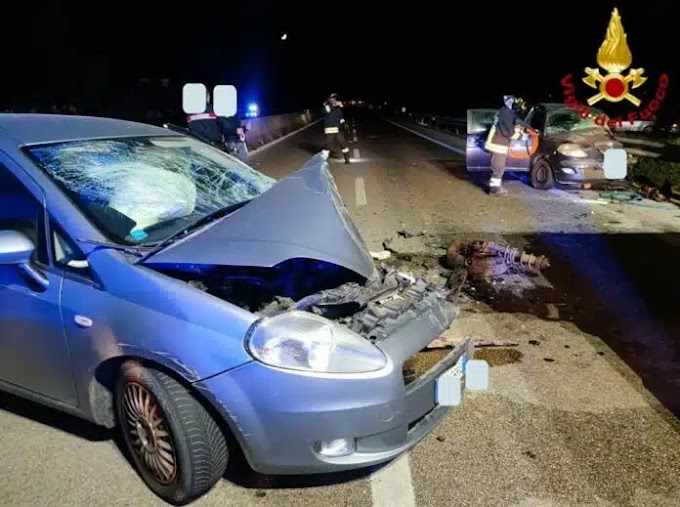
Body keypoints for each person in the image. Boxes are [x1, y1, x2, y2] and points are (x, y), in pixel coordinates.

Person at [483, 95, 527, 196]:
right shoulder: (506, 113)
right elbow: (508, 132)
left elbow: (507, 127)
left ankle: (495, 189)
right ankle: (494, 190)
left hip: (498, 144)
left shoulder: (505, 112)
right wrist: (521, 136)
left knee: (498, 168)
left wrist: (518, 130)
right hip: (497, 144)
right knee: (498, 168)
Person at [186, 91, 243, 156]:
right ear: (208, 97)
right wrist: (237, 129)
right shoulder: (214, 110)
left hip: (196, 148)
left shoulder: (190, 112)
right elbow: (226, 126)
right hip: (213, 148)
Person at [322, 93, 351, 164]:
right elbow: (327, 110)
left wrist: (344, 124)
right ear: (329, 99)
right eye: (332, 99)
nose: (334, 100)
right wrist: (334, 105)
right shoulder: (326, 106)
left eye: (335, 99)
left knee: (343, 143)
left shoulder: (338, 109)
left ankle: (347, 159)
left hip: (337, 129)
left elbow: (340, 117)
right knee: (328, 145)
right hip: (329, 129)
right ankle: (322, 160)